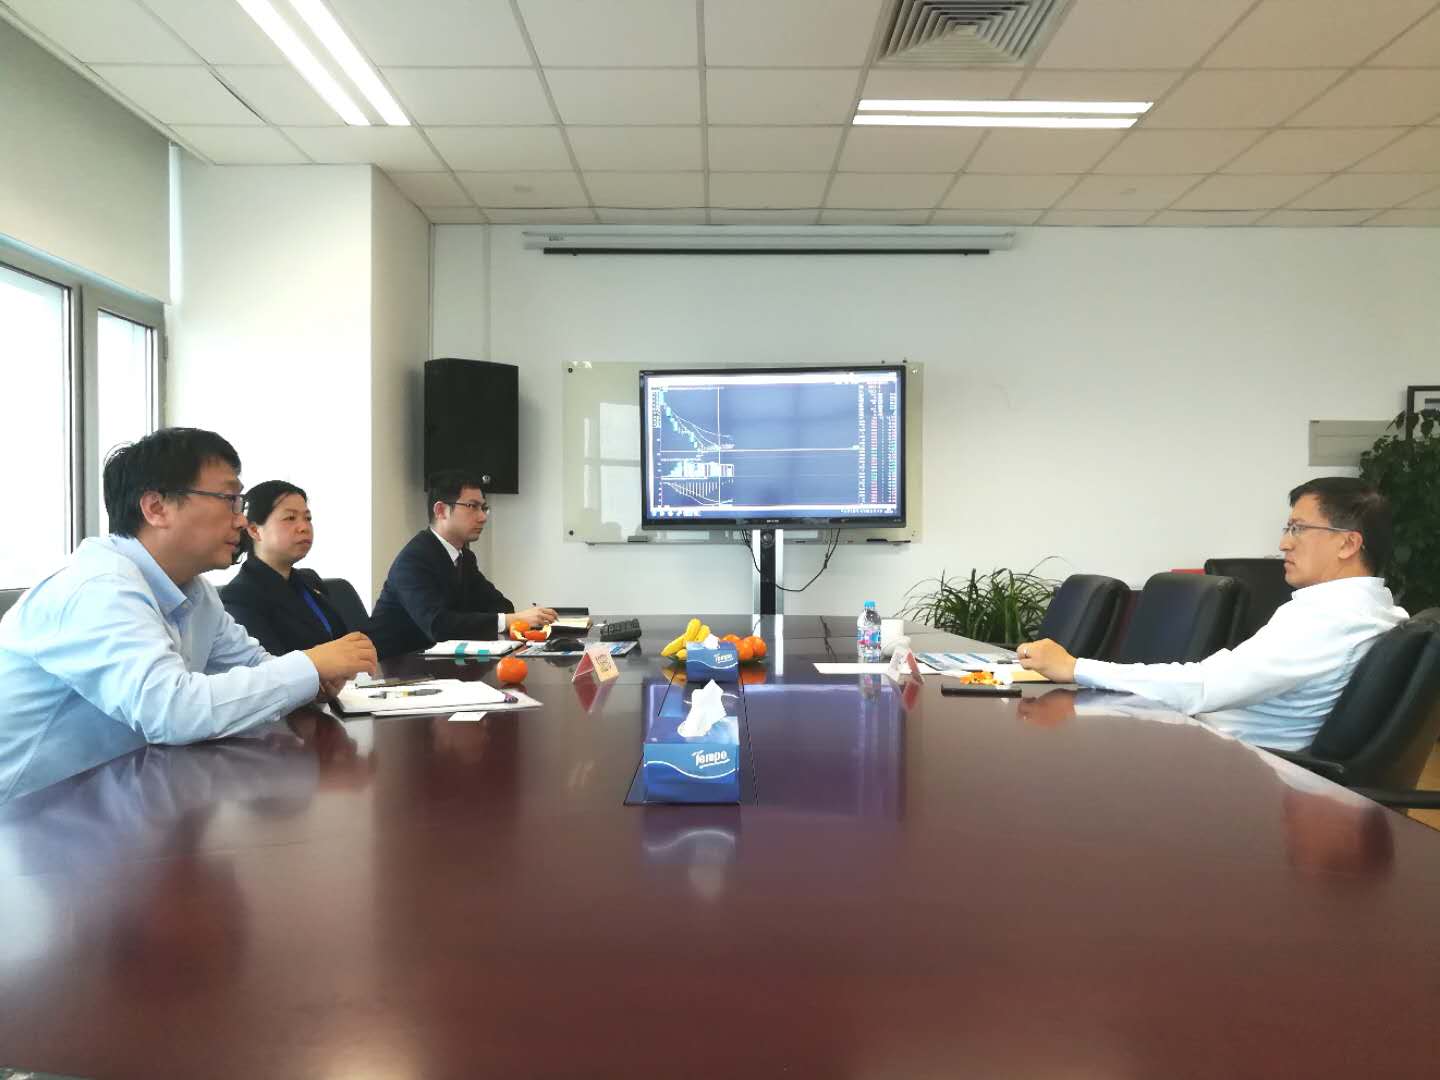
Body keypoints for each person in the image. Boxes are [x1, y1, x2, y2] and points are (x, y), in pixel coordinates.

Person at [0, 427, 377, 803]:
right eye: (230, 500)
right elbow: (172, 712)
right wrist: (309, 666)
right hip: (26, 819)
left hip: (117, 800)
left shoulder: (194, 590)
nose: (240, 521)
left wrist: (311, 682)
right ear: (156, 508)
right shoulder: (97, 588)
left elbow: (254, 666)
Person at [1016, 477, 1408, 750]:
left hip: (1237, 766)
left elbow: (1204, 688)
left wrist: (1075, 667)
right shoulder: (1376, 610)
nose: (1284, 543)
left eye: (1298, 528)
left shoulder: (1328, 619)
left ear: (1347, 544)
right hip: (1223, 749)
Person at [367, 470, 555, 658]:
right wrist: (510, 620)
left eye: (483, 508)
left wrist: (517, 618)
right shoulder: (414, 560)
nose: (483, 517)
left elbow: (500, 605)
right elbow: (438, 626)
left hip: (438, 663)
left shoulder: (464, 557)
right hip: (396, 666)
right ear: (441, 511)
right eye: (472, 506)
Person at [220, 480, 349, 656]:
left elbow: (342, 640)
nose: (304, 527)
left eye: (307, 518)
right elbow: (269, 665)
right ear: (255, 530)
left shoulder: (309, 580)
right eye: (290, 518)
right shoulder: (240, 596)